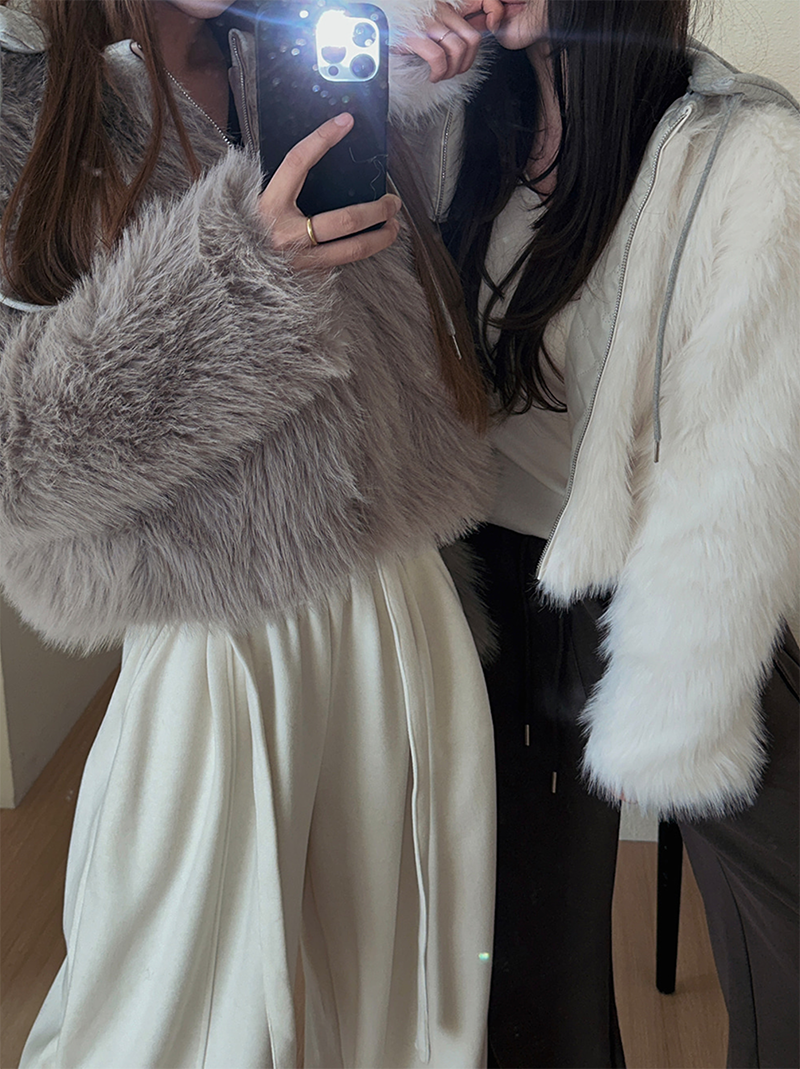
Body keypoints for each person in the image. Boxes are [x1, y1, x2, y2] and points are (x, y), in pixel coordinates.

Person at [0, 1, 499, 1067]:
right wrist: (231, 275)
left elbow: (395, 327)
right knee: (174, 1021)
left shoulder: (294, 44)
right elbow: (14, 458)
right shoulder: (19, 93)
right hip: (214, 651)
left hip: (400, 605)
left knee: (397, 1009)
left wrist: (404, 100)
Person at [395, 1, 800, 1066]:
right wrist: (400, 86)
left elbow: (731, 478)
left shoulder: (743, 154)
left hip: (666, 606)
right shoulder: (455, 121)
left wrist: (665, 699)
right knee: (529, 977)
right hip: (481, 591)